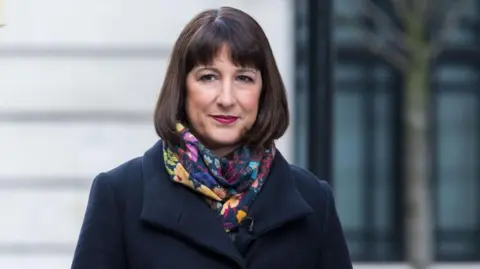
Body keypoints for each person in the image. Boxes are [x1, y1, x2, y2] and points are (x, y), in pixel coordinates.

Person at [71, 6, 352, 269]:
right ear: (182, 88)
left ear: (264, 91)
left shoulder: (315, 202)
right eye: (208, 77)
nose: (227, 99)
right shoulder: (121, 196)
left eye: (244, 78)